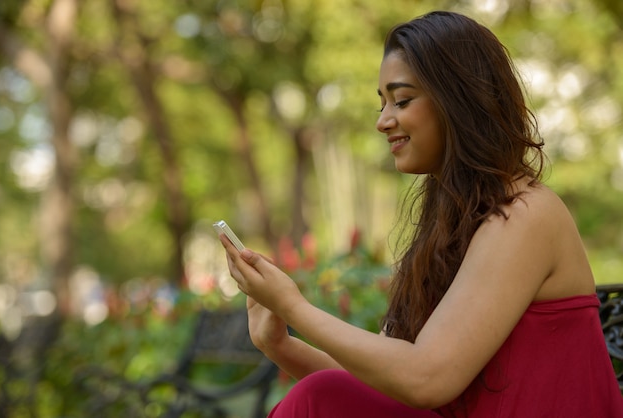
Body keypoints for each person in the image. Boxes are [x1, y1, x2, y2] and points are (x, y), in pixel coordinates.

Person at [218, 10, 623, 418]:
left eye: (402, 100)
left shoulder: (528, 214)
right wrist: (280, 344)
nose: (382, 121)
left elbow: (426, 379)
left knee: (316, 397)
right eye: (383, 103)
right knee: (320, 395)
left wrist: (295, 308)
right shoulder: (453, 223)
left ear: (458, 100)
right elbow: (384, 386)